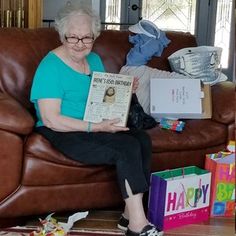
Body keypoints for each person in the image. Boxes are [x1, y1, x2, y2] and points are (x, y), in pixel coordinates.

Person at [30, 3, 162, 236]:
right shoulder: (50, 67)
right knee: (126, 146)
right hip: (62, 130)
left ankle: (128, 215)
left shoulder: (93, 60)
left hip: (92, 124)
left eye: (86, 38)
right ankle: (138, 226)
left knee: (141, 138)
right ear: (62, 35)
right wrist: (97, 126)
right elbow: (51, 119)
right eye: (73, 37)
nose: (80, 44)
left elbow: (103, 96)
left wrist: (125, 89)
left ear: (95, 36)